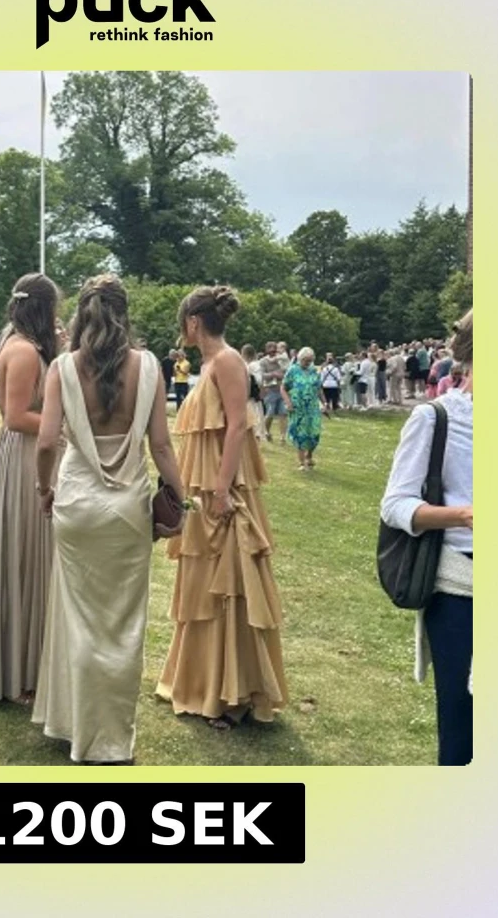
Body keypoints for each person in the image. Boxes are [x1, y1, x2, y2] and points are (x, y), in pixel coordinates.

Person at [32, 275, 185, 763]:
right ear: (125, 313)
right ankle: (113, 742)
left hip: (77, 505)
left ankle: (75, 728)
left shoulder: (62, 367)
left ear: (82, 313)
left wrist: (44, 490)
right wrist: (180, 501)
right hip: (128, 513)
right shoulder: (150, 367)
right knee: (122, 627)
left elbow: (46, 441)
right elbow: (161, 445)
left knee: (79, 621)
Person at [156, 286, 287, 729]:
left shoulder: (228, 361)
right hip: (205, 489)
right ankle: (202, 681)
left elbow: (236, 426)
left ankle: (235, 694)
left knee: (231, 585)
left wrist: (222, 489)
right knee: (203, 586)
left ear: (194, 322)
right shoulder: (211, 364)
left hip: (223, 489)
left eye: (182, 323)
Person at [381, 309, 473, 766]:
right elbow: (395, 505)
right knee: (463, 731)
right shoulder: (436, 418)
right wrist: (464, 516)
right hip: (461, 592)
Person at [0, 274, 61, 703]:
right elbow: (16, 416)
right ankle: (21, 673)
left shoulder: (12, 343)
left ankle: (22, 665)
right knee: (25, 557)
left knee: (27, 557)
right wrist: (63, 426)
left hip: (20, 456)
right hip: (25, 457)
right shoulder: (24, 351)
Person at [283, 346, 323, 469]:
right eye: (305, 360)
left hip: (312, 407)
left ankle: (309, 456)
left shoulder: (314, 371)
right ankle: (302, 462)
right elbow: (283, 387)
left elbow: (318, 388)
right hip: (297, 407)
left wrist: (324, 403)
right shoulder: (293, 370)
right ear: (300, 358)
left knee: (314, 433)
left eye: (310, 360)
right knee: (300, 434)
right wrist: (288, 402)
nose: (308, 363)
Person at [258, 341, 287, 442]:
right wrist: (273, 374)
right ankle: (266, 431)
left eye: (274, 349)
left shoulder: (281, 360)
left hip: (281, 389)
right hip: (269, 390)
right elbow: (262, 375)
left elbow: (286, 371)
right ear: (266, 350)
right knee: (270, 413)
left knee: (283, 413)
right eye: (270, 349)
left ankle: (283, 436)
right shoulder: (263, 361)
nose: (273, 351)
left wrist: (282, 375)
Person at [242, 344, 265, 440]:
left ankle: (256, 435)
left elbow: (258, 380)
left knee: (255, 416)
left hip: (251, 395)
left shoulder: (253, 365)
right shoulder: (248, 365)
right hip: (249, 395)